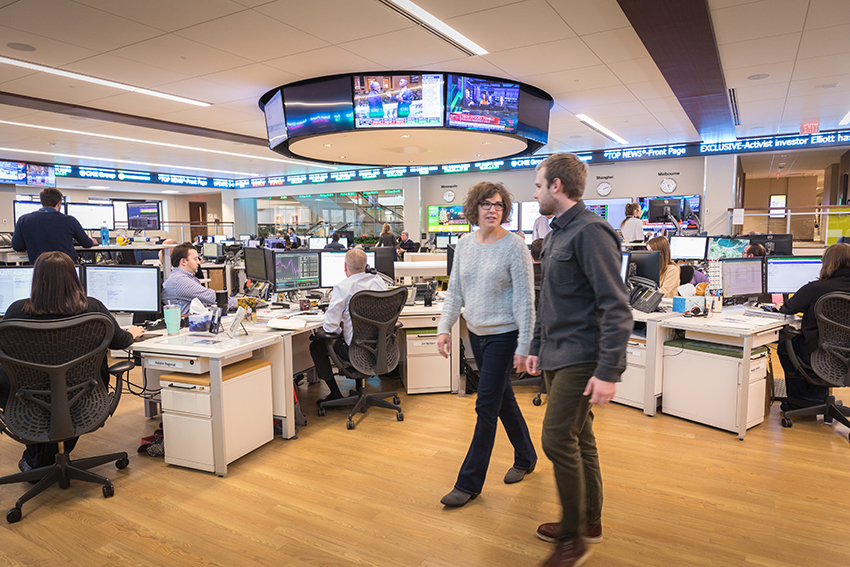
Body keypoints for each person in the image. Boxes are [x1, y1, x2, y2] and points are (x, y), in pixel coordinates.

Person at [525, 153, 632, 567]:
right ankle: (589, 522)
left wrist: (609, 371)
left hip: (581, 357)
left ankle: (572, 539)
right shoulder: (556, 235)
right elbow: (547, 300)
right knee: (580, 438)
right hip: (555, 353)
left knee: (555, 439)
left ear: (556, 186)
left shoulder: (592, 233)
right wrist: (535, 345)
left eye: (538, 185)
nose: (534, 193)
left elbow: (616, 306)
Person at [436, 181, 537, 508]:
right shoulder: (465, 244)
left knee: (485, 406)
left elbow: (525, 299)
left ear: (504, 209)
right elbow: (455, 292)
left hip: (505, 335)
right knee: (501, 399)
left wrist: (524, 344)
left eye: (497, 204)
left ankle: (468, 484)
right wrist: (443, 327)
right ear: (474, 209)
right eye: (486, 204)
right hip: (476, 333)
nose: (492, 209)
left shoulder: (515, 246)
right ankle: (525, 455)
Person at [0, 251, 145, 473]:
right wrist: (132, 332)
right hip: (83, 398)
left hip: (28, 401)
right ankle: (42, 462)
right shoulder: (93, 308)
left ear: (36, 279)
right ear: (74, 277)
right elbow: (119, 342)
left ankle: (38, 462)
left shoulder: (16, 311)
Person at [777, 243, 850, 409]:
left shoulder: (816, 288)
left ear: (828, 263)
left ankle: (801, 401)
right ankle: (816, 396)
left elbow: (787, 308)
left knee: (785, 347)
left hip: (818, 354)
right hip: (847, 358)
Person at [309, 249, 387, 403]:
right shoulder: (379, 281)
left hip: (354, 352)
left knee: (316, 346)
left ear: (345, 266)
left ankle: (335, 394)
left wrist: (340, 331)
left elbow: (330, 328)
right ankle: (359, 388)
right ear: (366, 265)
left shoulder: (342, 288)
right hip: (380, 348)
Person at [12, 188, 94, 264]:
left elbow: (17, 246)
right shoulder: (70, 220)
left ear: (42, 202)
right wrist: (92, 241)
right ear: (58, 203)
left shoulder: (23, 220)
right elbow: (86, 243)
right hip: (68, 268)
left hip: (39, 269)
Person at [162, 242, 237, 315]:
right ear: (183, 261)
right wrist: (240, 303)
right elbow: (210, 297)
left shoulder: (180, 277)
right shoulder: (180, 280)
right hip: (189, 324)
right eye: (195, 259)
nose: (198, 262)